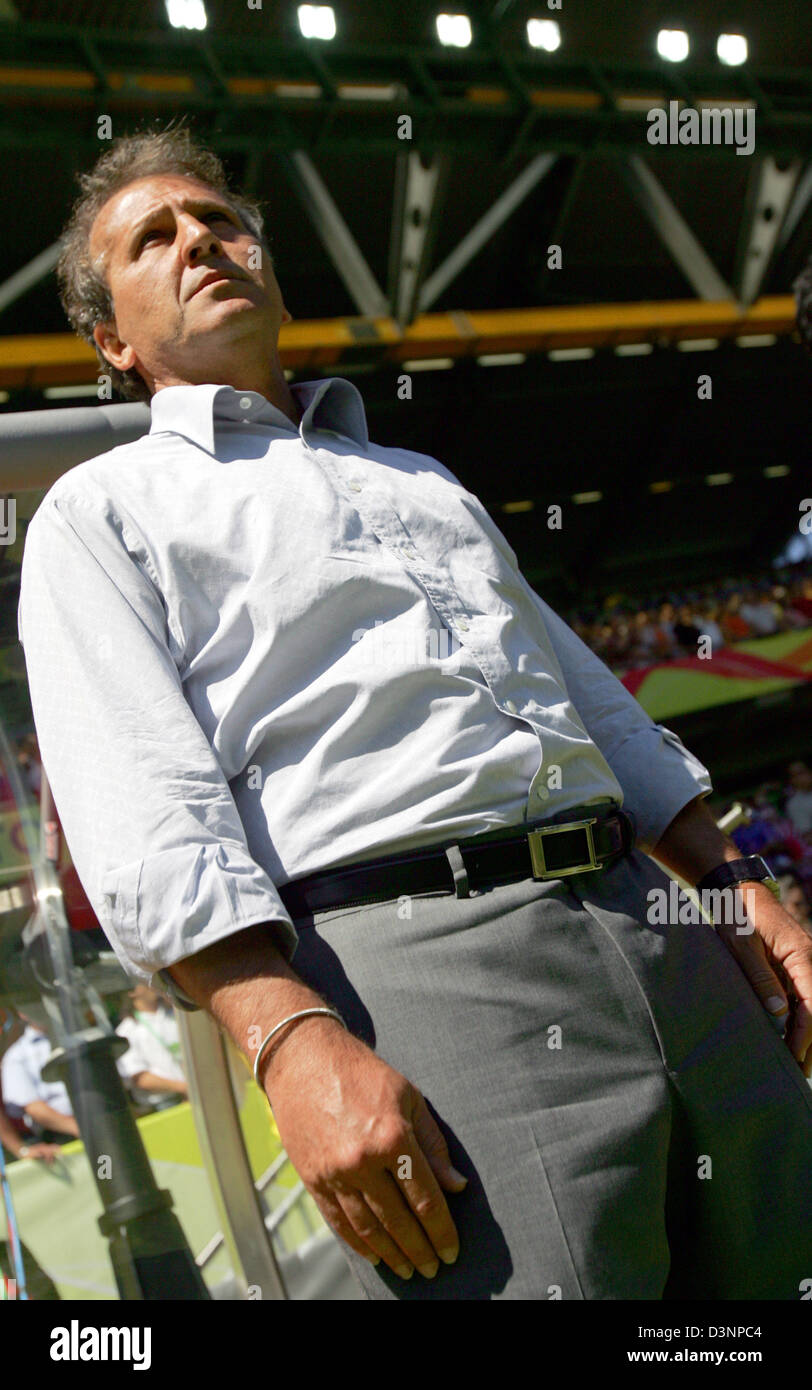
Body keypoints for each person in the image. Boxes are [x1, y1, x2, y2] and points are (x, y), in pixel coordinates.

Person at [16, 125, 812, 1300]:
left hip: (655, 923)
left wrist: (736, 879)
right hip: (423, 960)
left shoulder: (423, 478)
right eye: (153, 239)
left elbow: (596, 709)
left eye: (218, 220)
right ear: (112, 342)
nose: (199, 241)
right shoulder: (100, 512)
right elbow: (141, 807)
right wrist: (287, 1038)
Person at [0, 1015, 79, 1144]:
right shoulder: (16, 1056)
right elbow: (33, 1108)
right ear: (21, 1013)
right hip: (62, 1136)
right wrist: (81, 1129)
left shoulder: (84, 1034)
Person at [115, 984, 188, 1109]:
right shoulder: (126, 1031)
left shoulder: (177, 1015)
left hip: (196, 1094)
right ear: (131, 992)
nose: (151, 984)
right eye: (142, 981)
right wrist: (186, 1088)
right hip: (165, 1105)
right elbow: (138, 1077)